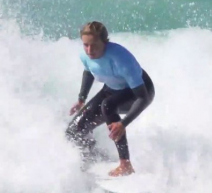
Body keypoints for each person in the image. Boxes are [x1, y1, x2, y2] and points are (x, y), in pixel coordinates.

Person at [65, 21, 155, 176]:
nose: (89, 50)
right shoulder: (85, 55)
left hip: (139, 92)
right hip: (112, 89)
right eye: (85, 45)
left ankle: (125, 164)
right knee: (74, 131)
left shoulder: (121, 59)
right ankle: (93, 156)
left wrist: (123, 123)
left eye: (94, 45)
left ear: (105, 42)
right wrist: (81, 99)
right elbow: (88, 71)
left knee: (107, 105)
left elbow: (143, 97)